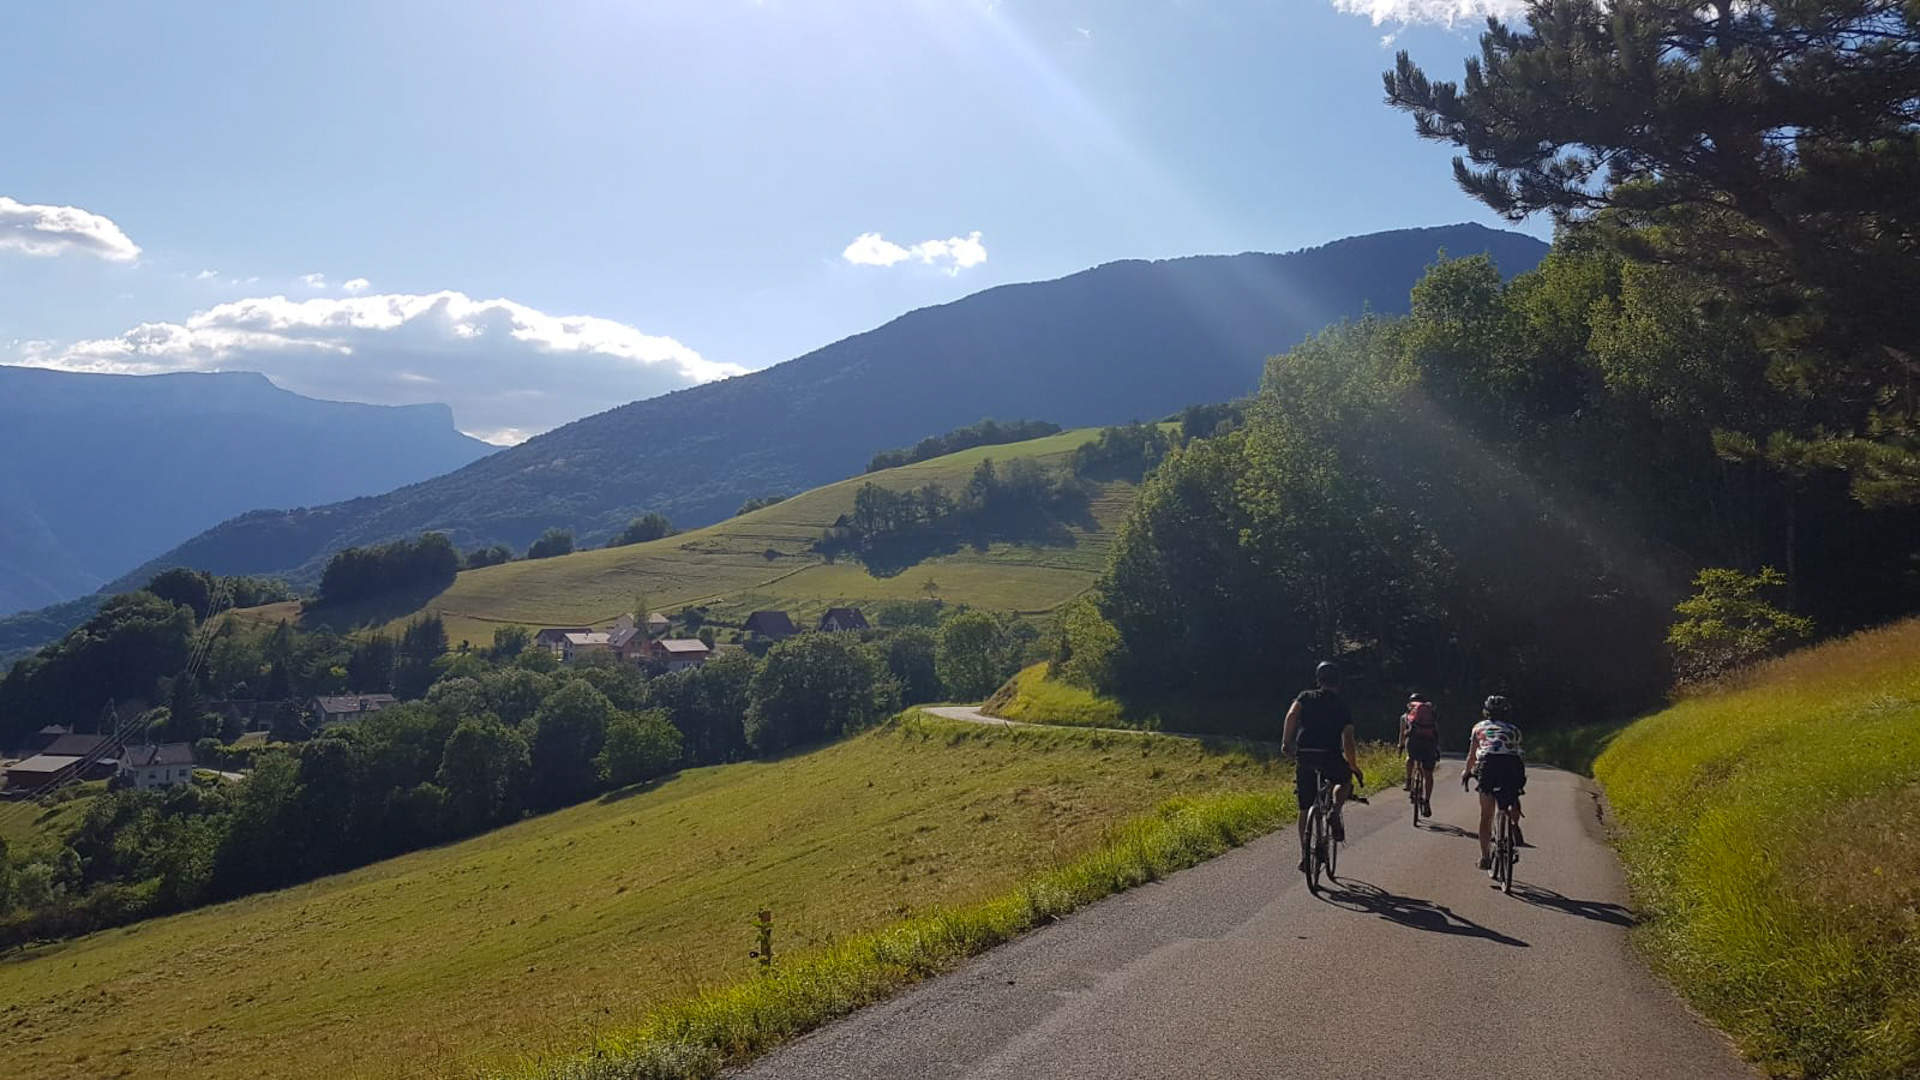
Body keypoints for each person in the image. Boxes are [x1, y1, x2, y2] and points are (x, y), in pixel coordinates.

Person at [1281, 660, 1365, 874]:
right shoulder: (1342, 706)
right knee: (1344, 780)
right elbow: (1348, 739)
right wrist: (1353, 766)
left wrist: (1286, 743)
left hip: (1305, 755)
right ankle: (1335, 811)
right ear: (1338, 682)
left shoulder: (1305, 696)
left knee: (1304, 807)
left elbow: (1291, 715)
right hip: (1330, 756)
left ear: (1318, 679)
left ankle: (1304, 855)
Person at [1462, 694, 1526, 872]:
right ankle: (1513, 825)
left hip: (1488, 765)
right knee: (1513, 795)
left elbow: (1472, 755)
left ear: (1486, 712)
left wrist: (1467, 772)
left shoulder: (1478, 728)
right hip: (1512, 765)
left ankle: (1484, 858)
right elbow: (1519, 753)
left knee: (1486, 815)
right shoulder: (1515, 730)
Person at [1399, 692, 1440, 817]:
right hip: (1429, 744)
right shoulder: (1430, 713)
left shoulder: (1405, 716)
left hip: (1413, 744)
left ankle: (1408, 781)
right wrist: (1437, 748)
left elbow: (1402, 733)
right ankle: (1427, 801)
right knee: (1428, 773)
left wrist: (1400, 746)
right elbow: (1436, 731)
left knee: (1410, 758)